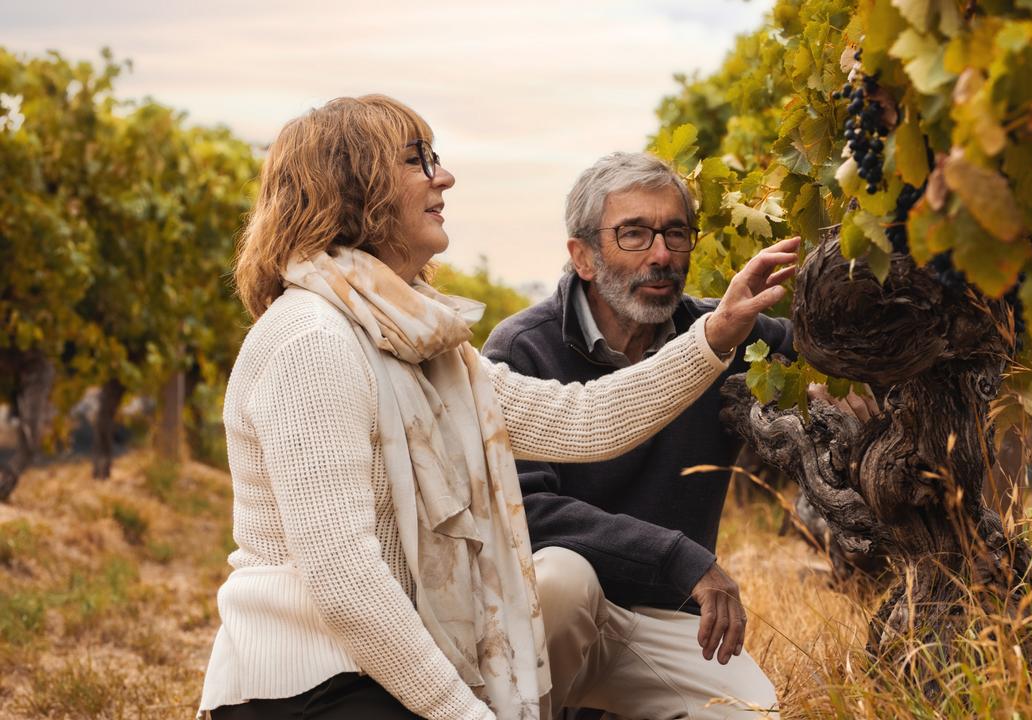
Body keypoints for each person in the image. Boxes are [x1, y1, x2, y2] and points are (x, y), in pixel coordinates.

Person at [196, 96, 799, 720]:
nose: (444, 176)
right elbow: (345, 582)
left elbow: (582, 420)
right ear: (356, 189)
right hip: (307, 687)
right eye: (417, 160)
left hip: (384, 676)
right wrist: (466, 713)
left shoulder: (419, 341)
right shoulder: (312, 341)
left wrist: (717, 334)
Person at [482, 152, 795, 719]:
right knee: (561, 577)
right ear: (582, 255)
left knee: (754, 716)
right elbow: (521, 509)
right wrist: (679, 558)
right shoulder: (521, 348)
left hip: (669, 619)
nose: (660, 255)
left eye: (675, 233)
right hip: (560, 614)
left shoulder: (726, 330)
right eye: (634, 234)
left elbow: (823, 361)